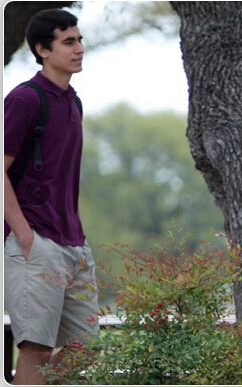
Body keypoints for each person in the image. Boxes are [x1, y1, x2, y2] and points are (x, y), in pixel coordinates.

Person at [3, 9, 96, 385]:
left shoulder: (73, 101)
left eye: (80, 40)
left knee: (86, 348)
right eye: (68, 42)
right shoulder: (25, 99)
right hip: (36, 242)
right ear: (42, 50)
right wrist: (24, 235)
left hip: (74, 244)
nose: (79, 48)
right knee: (36, 350)